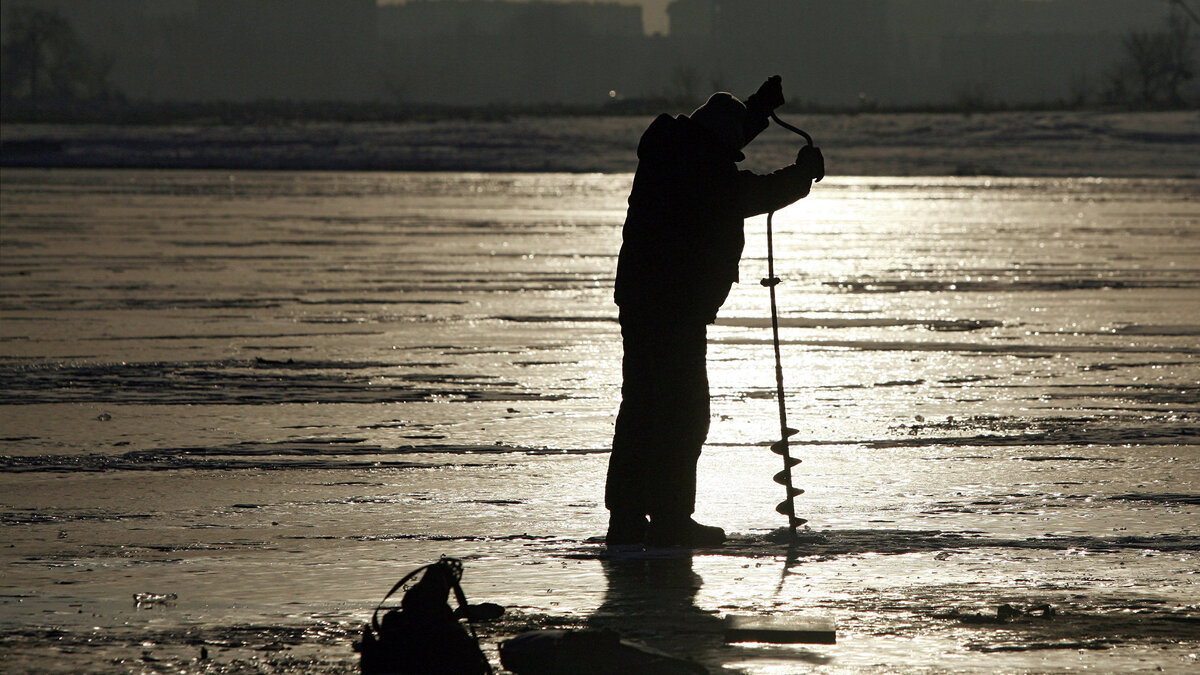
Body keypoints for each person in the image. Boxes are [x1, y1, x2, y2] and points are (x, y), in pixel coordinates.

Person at [606, 76, 824, 548]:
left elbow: (721, 144)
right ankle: (668, 518)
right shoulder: (700, 167)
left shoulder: (676, 149)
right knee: (681, 413)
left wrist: (759, 110)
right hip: (672, 306)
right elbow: (746, 195)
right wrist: (800, 177)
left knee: (643, 408)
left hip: (651, 302)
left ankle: (627, 519)